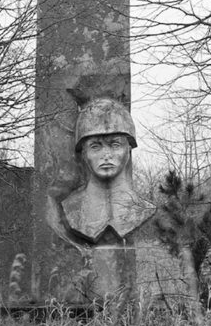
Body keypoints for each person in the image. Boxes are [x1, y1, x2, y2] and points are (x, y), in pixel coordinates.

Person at [61, 98, 155, 244]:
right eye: (95, 146)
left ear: (128, 149)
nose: (106, 155)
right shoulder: (71, 208)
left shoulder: (142, 208)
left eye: (115, 144)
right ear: (84, 153)